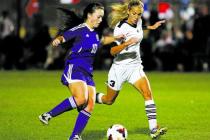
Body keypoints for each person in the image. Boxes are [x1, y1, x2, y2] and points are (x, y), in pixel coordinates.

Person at [38, 3, 119, 140]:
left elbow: (102, 41)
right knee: (81, 99)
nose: (100, 20)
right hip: (74, 67)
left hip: (88, 72)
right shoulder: (81, 28)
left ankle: (74, 136)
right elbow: (65, 36)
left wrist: (117, 38)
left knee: (90, 104)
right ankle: (47, 115)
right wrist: (58, 40)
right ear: (89, 15)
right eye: (98, 17)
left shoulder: (95, 33)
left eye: (102, 17)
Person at [95, 0, 167, 139]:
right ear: (128, 11)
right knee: (109, 100)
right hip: (119, 69)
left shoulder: (139, 21)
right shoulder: (120, 28)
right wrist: (127, 43)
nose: (136, 16)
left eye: (139, 14)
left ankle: (153, 130)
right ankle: (90, 97)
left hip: (135, 66)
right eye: (134, 13)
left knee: (147, 94)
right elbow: (112, 51)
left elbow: (138, 28)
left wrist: (150, 27)